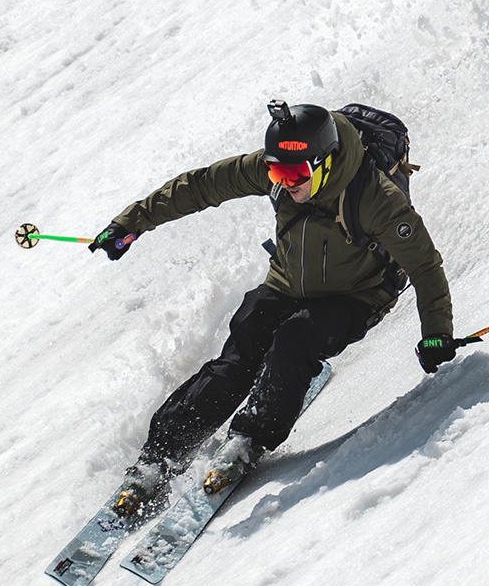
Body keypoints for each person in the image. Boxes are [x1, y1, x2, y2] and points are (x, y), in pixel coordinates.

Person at [90, 100, 461, 520]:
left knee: (294, 339)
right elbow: (202, 185)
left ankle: (250, 437)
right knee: (241, 350)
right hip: (289, 281)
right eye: (275, 172)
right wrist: (132, 222)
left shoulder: (376, 197)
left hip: (357, 294)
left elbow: (424, 265)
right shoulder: (279, 173)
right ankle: (161, 454)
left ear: (324, 162)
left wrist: (437, 333)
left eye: (295, 174)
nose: (285, 183)